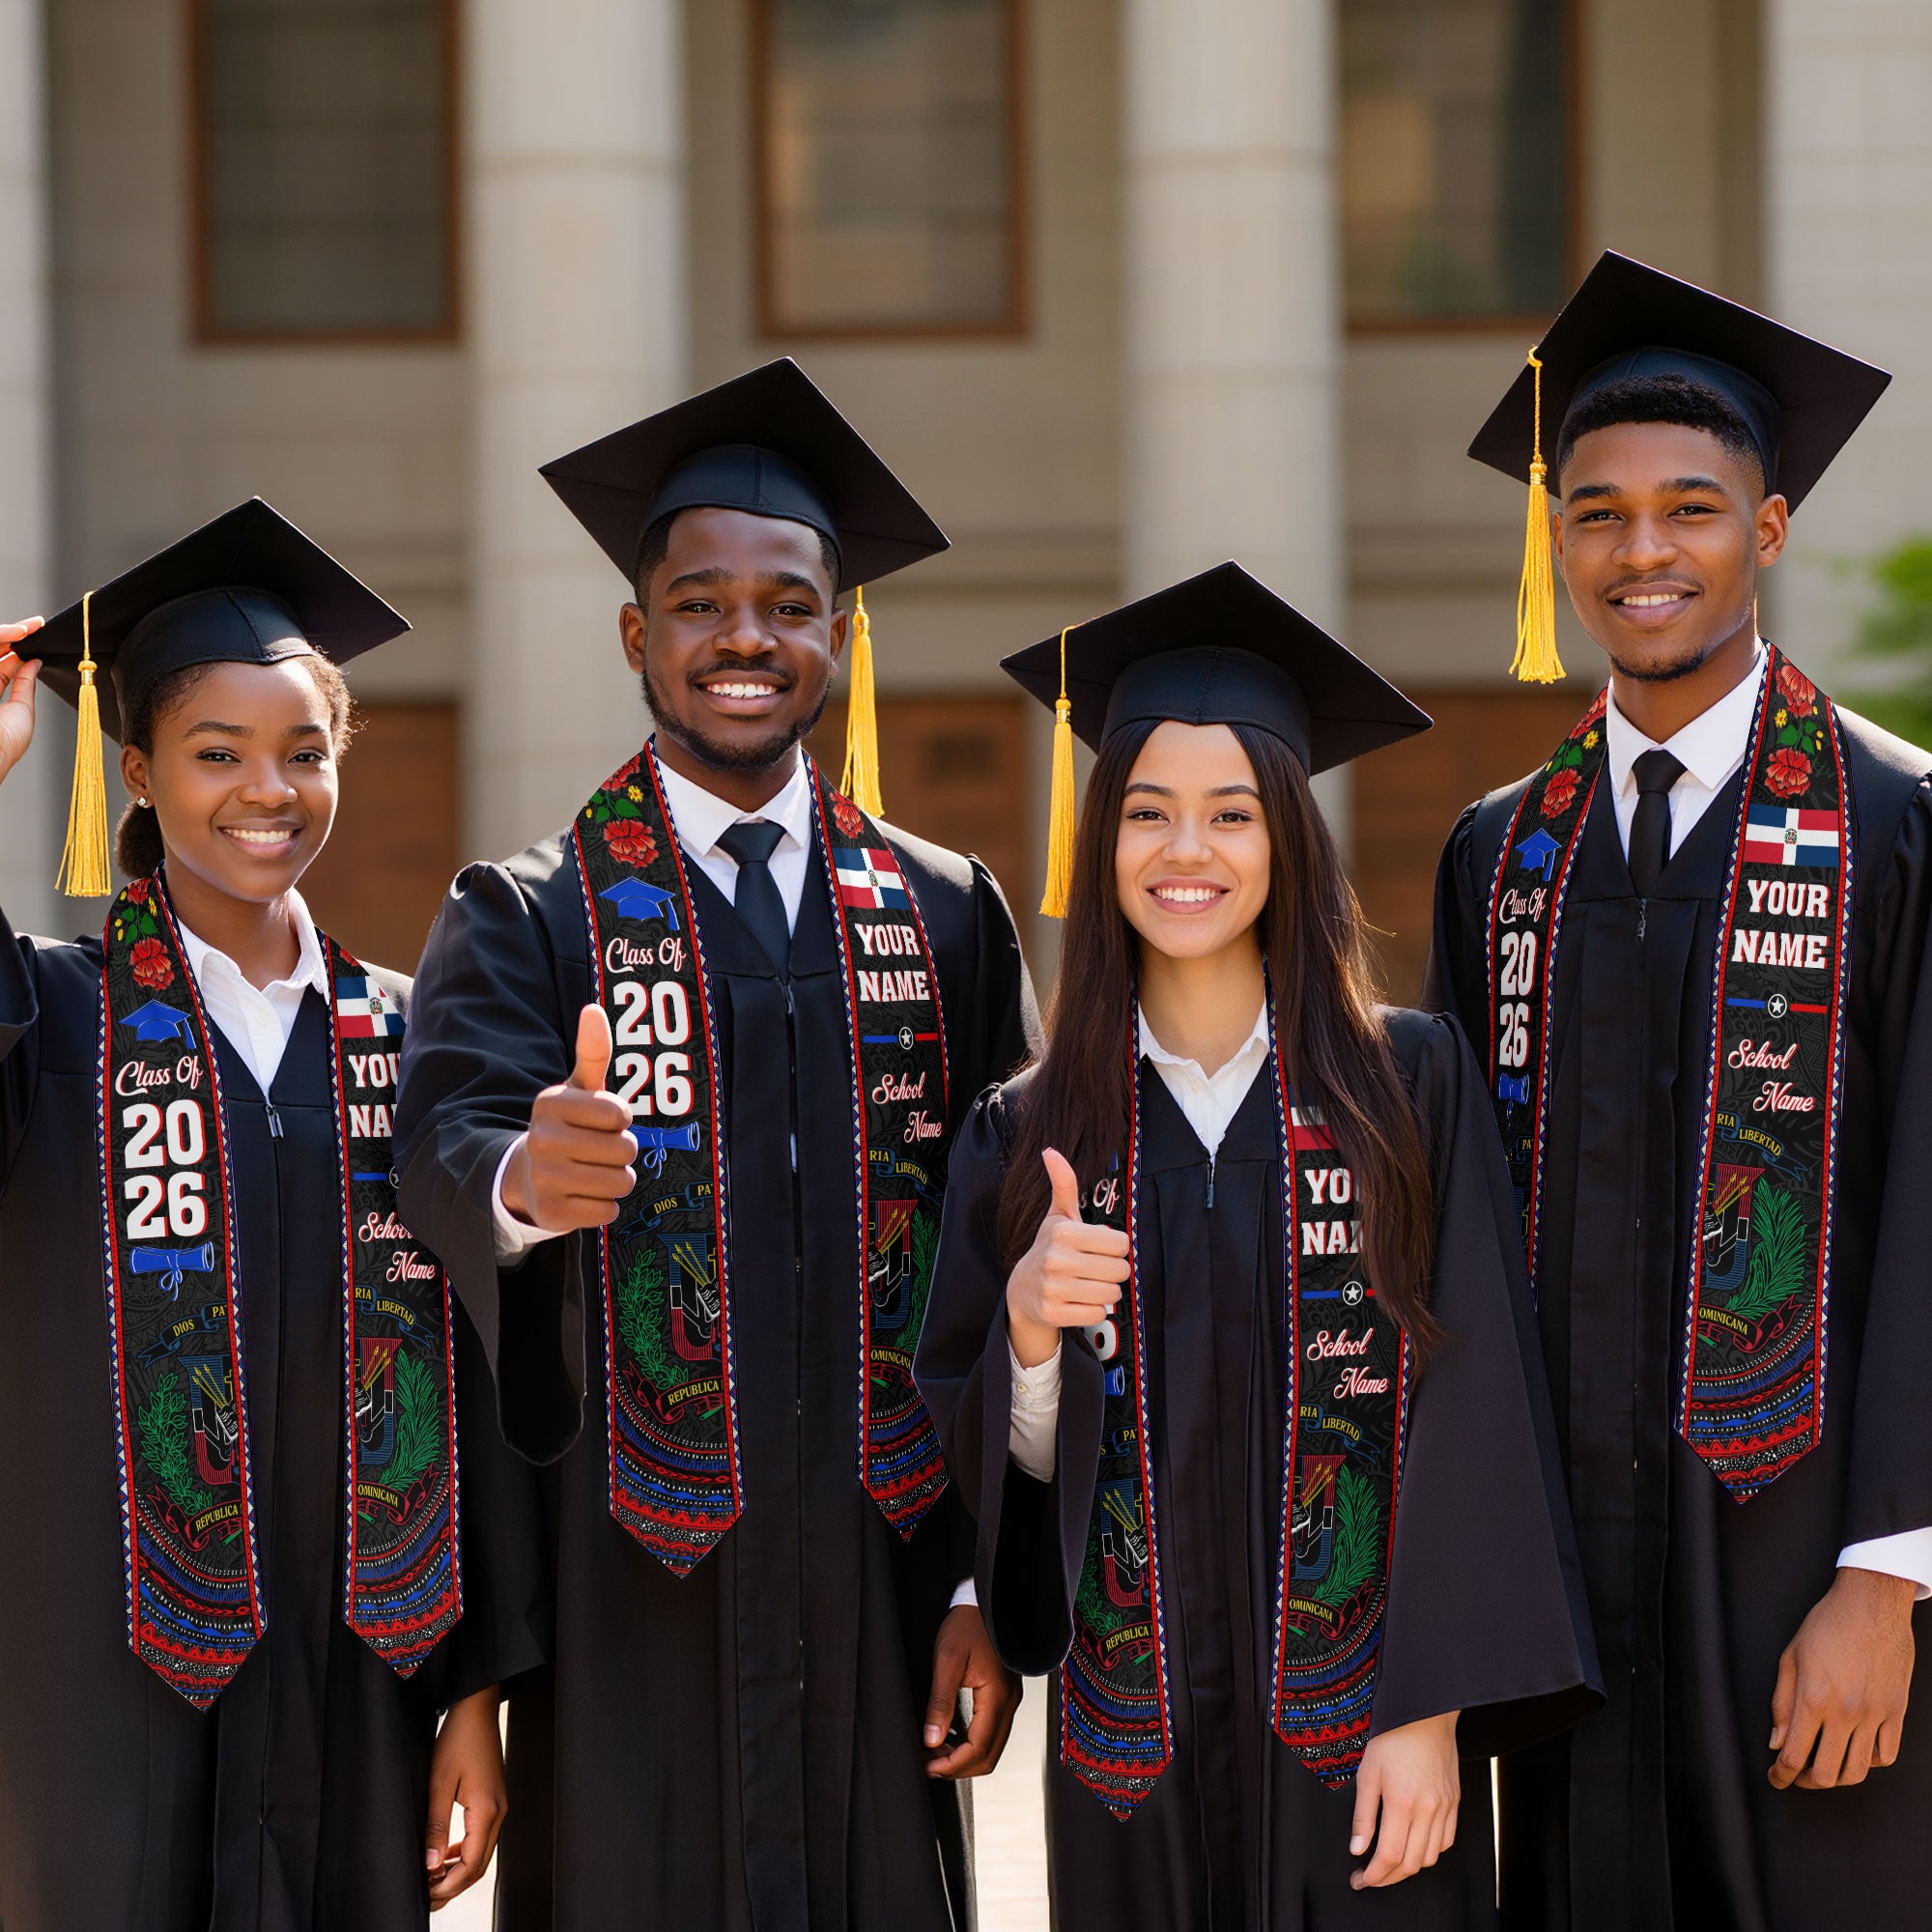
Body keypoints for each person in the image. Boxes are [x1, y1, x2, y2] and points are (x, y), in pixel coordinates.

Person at [393, 358, 1039, 1928]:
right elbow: (441, 1146)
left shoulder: (944, 915)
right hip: (630, 1605)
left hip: (883, 1588)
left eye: (788, 605)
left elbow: (1008, 1252)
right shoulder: (532, 914)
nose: (745, 638)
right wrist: (522, 1182)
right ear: (638, 635)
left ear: (841, 635)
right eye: (698, 604)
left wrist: (981, 1581)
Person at [916, 562, 1599, 1930]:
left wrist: (1430, 1710)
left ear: (1288, 838)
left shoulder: (1410, 1088)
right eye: (1148, 812)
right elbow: (996, 1486)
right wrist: (1032, 1339)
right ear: (1100, 841)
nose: (1188, 852)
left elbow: (1479, 1402)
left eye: (1231, 813)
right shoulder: (1031, 1129)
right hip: (1131, 1757)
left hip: (1364, 1745)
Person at [1426, 251, 1932, 1931]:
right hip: (1566, 1577)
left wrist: (1889, 1575)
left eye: (1691, 509)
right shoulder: (1504, 854)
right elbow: (1454, 1229)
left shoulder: (1896, 826)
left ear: (1767, 530)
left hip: (1808, 1560)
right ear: (1557, 542)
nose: (1643, 550)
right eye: (1599, 513)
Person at [0, 498, 546, 1931]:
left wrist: (474, 1698)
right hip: (95, 1685)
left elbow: (482, 1379)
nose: (268, 789)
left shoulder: (414, 1042)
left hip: (361, 1670)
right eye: (216, 753)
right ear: (135, 771)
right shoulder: (48, 1022)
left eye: (305, 752)